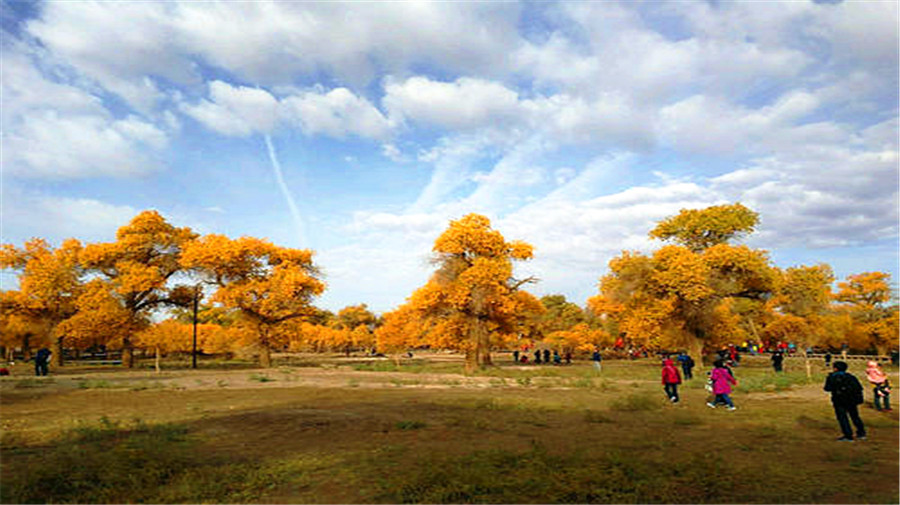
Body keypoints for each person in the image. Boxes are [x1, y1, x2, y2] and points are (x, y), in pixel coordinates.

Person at [824, 361, 866, 441]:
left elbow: (827, 388)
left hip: (839, 400)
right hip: (852, 400)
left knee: (843, 418)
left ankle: (848, 435)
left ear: (835, 368)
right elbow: (859, 388)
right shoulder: (851, 377)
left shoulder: (832, 377)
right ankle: (861, 433)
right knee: (855, 416)